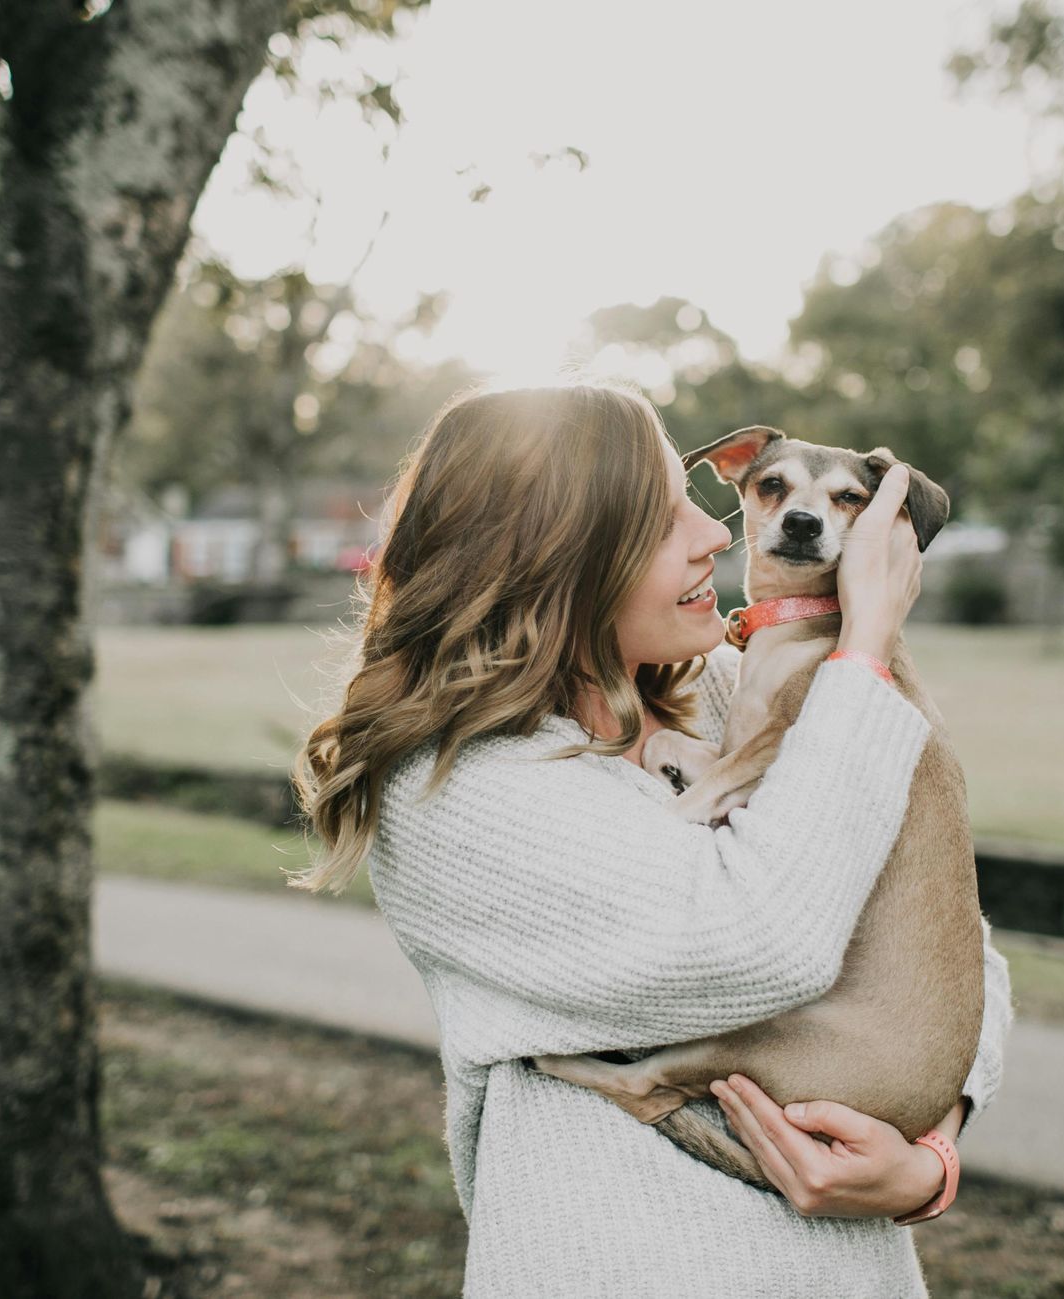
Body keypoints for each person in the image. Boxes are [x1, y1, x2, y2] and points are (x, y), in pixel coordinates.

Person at [291, 381, 1014, 1297]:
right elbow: (766, 940)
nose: (716, 530)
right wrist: (865, 644)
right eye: (663, 514)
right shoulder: (455, 791)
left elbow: (954, 943)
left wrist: (929, 1154)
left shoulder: (723, 689)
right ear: (557, 556)